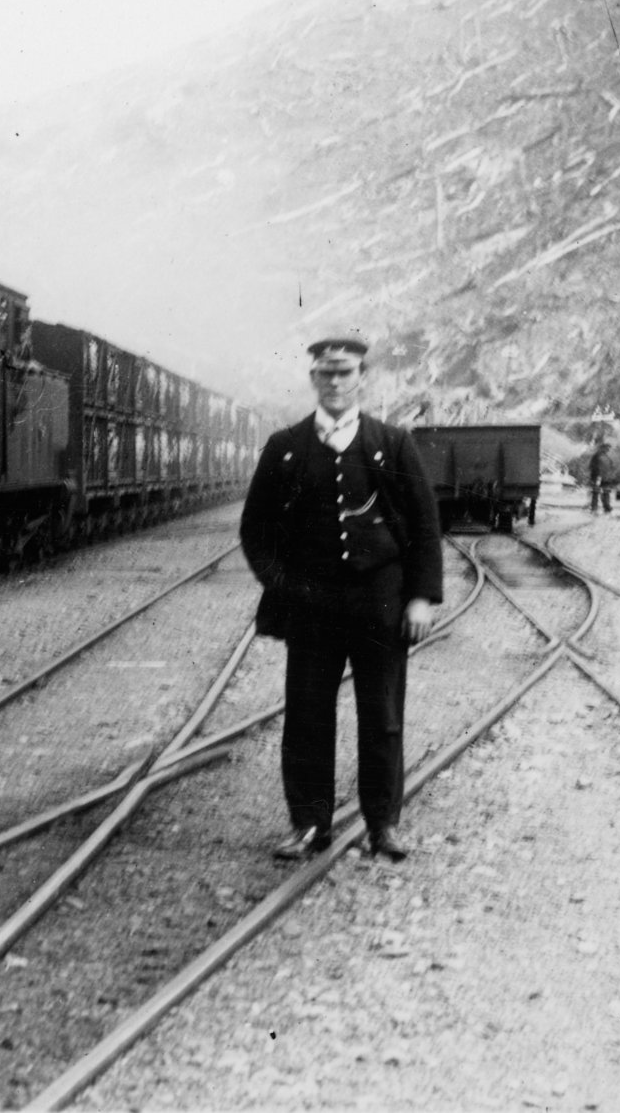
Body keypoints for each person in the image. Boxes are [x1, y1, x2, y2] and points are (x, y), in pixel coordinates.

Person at [239, 335, 442, 863]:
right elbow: (256, 532)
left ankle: (383, 827)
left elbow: (424, 525)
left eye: (345, 372)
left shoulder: (392, 443)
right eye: (325, 373)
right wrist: (285, 587)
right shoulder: (285, 446)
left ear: (361, 379)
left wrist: (421, 597)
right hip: (312, 609)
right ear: (312, 379)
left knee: (383, 717)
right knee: (307, 718)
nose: (334, 382)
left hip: (381, 604)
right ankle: (309, 826)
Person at [587, 439, 613, 514]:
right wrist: (594, 477)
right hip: (599, 477)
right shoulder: (598, 457)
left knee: (604, 493)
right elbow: (592, 467)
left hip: (604, 478)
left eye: (608, 449)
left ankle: (605, 507)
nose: (607, 450)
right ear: (602, 448)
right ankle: (595, 507)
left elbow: (610, 467)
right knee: (597, 493)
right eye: (606, 448)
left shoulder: (606, 458)